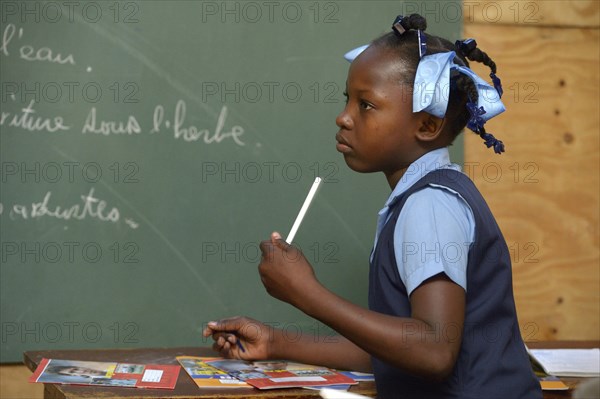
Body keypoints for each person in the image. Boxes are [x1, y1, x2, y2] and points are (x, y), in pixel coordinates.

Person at [204, 14, 542, 399]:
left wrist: (307, 294)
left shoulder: (428, 206)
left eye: (366, 105)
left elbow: (433, 351)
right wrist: (277, 342)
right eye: (346, 99)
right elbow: (400, 350)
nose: (343, 117)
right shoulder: (425, 196)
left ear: (428, 126)